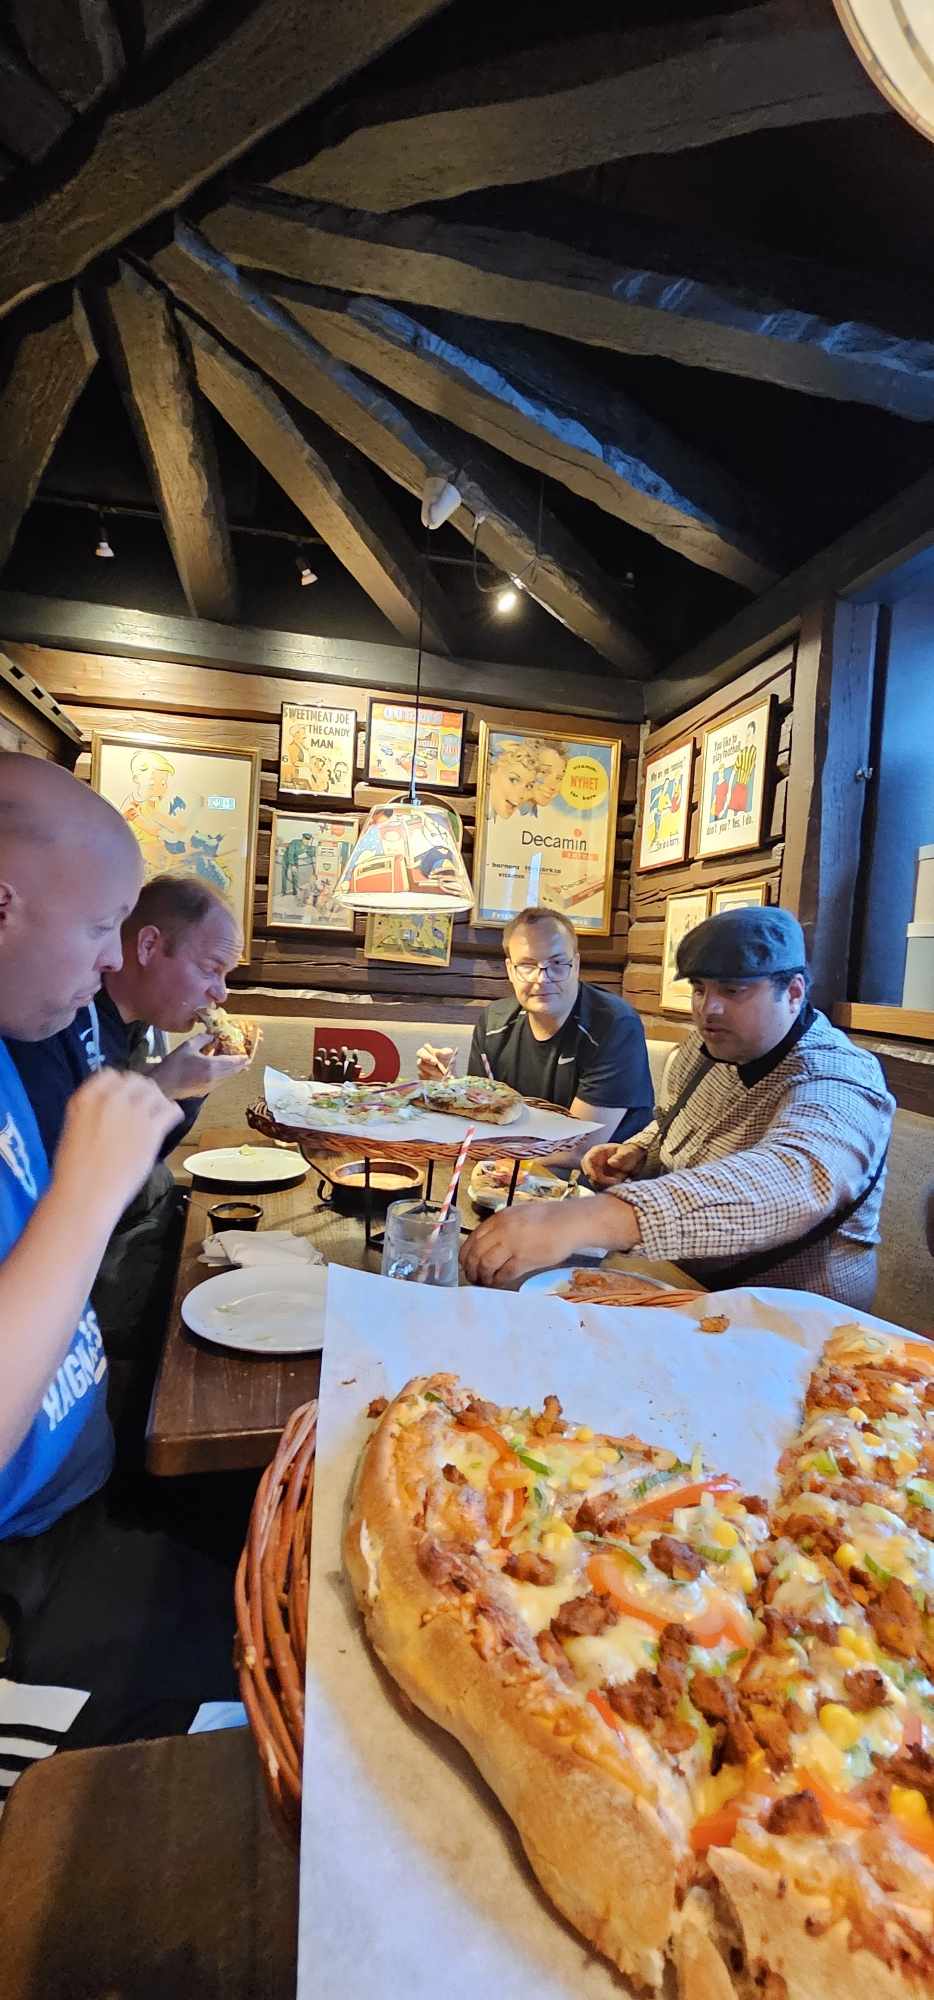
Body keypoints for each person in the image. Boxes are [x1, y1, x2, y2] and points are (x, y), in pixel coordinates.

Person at [0, 754, 238, 1746]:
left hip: (86, 1488)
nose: (111, 963)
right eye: (101, 925)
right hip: (26, 1570)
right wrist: (88, 1192)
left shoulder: (18, 1041)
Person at [462, 907, 893, 1308]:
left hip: (787, 1311)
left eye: (733, 990)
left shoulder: (838, 1077)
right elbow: (668, 1122)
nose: (709, 1009)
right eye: (700, 989)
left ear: (794, 992)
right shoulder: (705, 1048)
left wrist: (580, 1220)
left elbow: (794, 1180)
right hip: (670, 1274)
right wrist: (637, 1151)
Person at [7, 874, 252, 1444]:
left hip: (135, 1242)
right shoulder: (54, 1021)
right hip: (88, 1287)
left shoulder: (135, 1028)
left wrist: (182, 1090)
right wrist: (164, 1087)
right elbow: (58, 1175)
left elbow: (133, 1158)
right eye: (211, 969)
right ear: (148, 946)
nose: (220, 994)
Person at [418, 905, 653, 1160]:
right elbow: (483, 1118)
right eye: (527, 965)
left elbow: (578, 1148)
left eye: (557, 963)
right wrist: (446, 1086)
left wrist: (499, 1160)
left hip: (600, 1175)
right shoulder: (494, 1023)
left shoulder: (614, 1025)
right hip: (511, 1165)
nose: (542, 979)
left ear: (575, 965)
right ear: (510, 970)